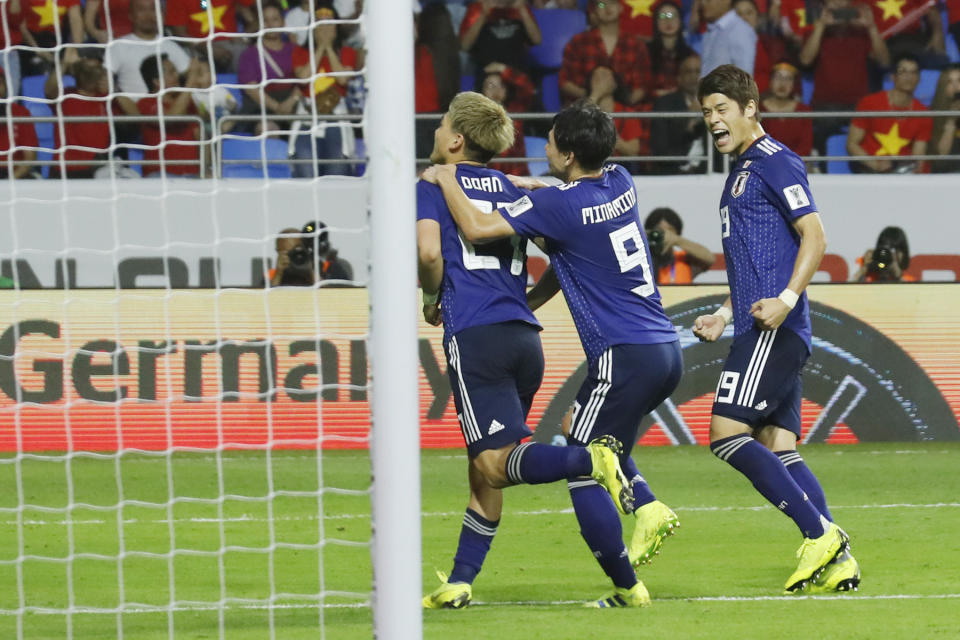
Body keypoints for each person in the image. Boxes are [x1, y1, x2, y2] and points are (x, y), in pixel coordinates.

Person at [422, 97, 684, 608]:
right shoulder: (621, 181)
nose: (543, 147)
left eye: (550, 141)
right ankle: (461, 578)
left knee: (557, 460)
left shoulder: (527, 199)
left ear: (564, 154)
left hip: (600, 348)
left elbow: (455, 239)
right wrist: (521, 188)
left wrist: (444, 176)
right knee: (492, 464)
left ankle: (633, 564)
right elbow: (566, 251)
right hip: (652, 344)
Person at [694, 64, 859, 595]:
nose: (712, 120)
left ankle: (819, 535)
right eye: (705, 113)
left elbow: (815, 236)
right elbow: (752, 261)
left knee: (725, 434)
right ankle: (839, 559)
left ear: (750, 109)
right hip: (762, 325)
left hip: (773, 330)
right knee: (777, 442)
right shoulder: (740, 170)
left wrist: (787, 301)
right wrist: (724, 311)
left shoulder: (774, 161)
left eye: (721, 109)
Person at [798, 0, 888, 162]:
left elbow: (884, 61)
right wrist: (821, 27)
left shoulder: (862, 31)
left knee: (870, 140)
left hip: (859, 105)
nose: (839, 4)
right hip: (824, 104)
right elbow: (805, 60)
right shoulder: (814, 29)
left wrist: (872, 27)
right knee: (820, 137)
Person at [291, 3, 358, 177]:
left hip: (336, 117)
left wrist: (329, 47)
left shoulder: (348, 52)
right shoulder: (299, 52)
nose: (324, 27)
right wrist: (320, 47)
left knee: (336, 169)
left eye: (329, 22)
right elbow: (304, 78)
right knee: (305, 167)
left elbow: (343, 79)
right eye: (319, 22)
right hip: (307, 117)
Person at [847, 53, 932, 174]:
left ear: (919, 79)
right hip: (870, 168)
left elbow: (918, 155)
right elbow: (852, 144)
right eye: (903, 72)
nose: (909, 77)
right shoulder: (869, 103)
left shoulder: (923, 113)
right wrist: (875, 165)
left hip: (903, 172)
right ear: (893, 77)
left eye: (914, 72)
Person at [559, 0, 651, 107]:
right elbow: (564, 82)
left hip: (625, 110)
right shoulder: (579, 42)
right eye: (601, 4)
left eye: (612, 3)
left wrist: (618, 104)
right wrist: (595, 96)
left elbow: (643, 86)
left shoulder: (636, 44)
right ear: (595, 11)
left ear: (620, 8)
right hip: (586, 110)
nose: (607, 8)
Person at [236, 1, 305, 135]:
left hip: (294, 106)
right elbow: (252, 90)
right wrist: (278, 107)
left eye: (275, 19)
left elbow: (305, 80)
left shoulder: (296, 50)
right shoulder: (249, 54)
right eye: (265, 20)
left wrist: (291, 102)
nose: (270, 24)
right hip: (263, 110)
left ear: (283, 22)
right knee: (268, 130)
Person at [105, 0, 192, 97]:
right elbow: (103, 82)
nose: (148, 15)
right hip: (131, 111)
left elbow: (192, 74)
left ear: (162, 15)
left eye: (153, 9)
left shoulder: (171, 46)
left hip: (169, 110)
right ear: (131, 15)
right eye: (141, 9)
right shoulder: (118, 46)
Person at [137, 54, 205, 177]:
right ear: (157, 81)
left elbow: (200, 135)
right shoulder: (145, 104)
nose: (177, 75)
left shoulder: (187, 102)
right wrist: (190, 83)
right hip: (160, 175)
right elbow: (171, 118)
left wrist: (206, 170)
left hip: (192, 176)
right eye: (172, 72)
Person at [650, 52, 707, 174]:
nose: (694, 76)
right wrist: (690, 122)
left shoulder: (717, 104)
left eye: (698, 71)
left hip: (710, 171)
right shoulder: (664, 104)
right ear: (679, 78)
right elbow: (660, 149)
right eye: (688, 72)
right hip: (673, 172)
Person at [166, 0, 256, 73]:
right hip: (196, 46)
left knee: (245, 56)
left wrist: (245, 37)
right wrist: (206, 48)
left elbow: (261, 11)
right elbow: (179, 34)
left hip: (230, 43)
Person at [458, 0, 542, 74]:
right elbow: (465, 46)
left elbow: (537, 40)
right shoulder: (477, 8)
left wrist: (522, 10)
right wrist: (483, 15)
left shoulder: (520, 9)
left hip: (516, 73)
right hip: (487, 73)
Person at [268, 221, 352, 286]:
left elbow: (342, 298)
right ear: (277, 252)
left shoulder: (330, 268)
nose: (294, 256)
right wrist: (278, 274)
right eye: (286, 252)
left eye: (298, 250)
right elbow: (262, 301)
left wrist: (311, 271)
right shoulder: (273, 274)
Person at [644, 207, 715, 283]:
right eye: (659, 230)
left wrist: (677, 240)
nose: (665, 234)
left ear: (677, 233)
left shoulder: (684, 259)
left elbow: (709, 259)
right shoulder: (640, 260)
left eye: (669, 230)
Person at [760, 61, 813, 157]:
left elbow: (805, 148)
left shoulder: (803, 111)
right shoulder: (758, 110)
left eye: (788, 78)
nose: (782, 83)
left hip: (795, 165)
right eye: (778, 77)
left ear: (794, 84)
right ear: (770, 81)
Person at [647, 0, 697, 99]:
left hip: (681, 104)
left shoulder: (690, 54)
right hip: (650, 104)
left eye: (673, 16)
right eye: (662, 16)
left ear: (681, 20)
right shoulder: (644, 51)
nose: (668, 21)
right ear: (655, 22)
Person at [699, 0, 757, 77]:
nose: (702, 3)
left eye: (708, 0)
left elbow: (744, 79)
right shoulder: (710, 31)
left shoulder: (740, 30)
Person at [0, 66, 38, 179]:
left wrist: (7, 184)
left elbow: (29, 158)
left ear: (5, 87)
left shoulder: (21, 113)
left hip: (14, 174)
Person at [929, 64, 960, 174]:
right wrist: (951, 120)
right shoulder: (932, 116)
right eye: (950, 82)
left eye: (959, 80)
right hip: (945, 176)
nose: (956, 87)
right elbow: (940, 158)